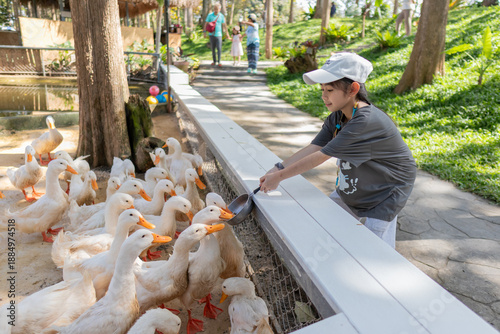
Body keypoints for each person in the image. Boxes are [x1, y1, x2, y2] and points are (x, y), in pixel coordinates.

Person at [259, 52, 417, 248]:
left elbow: (321, 156)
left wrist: (280, 176)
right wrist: (278, 167)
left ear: (353, 89)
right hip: (357, 184)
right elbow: (315, 146)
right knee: (327, 221)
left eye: (330, 90)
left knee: (375, 248)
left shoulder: (365, 120)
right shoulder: (339, 115)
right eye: (322, 89)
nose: (324, 96)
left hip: (385, 192)